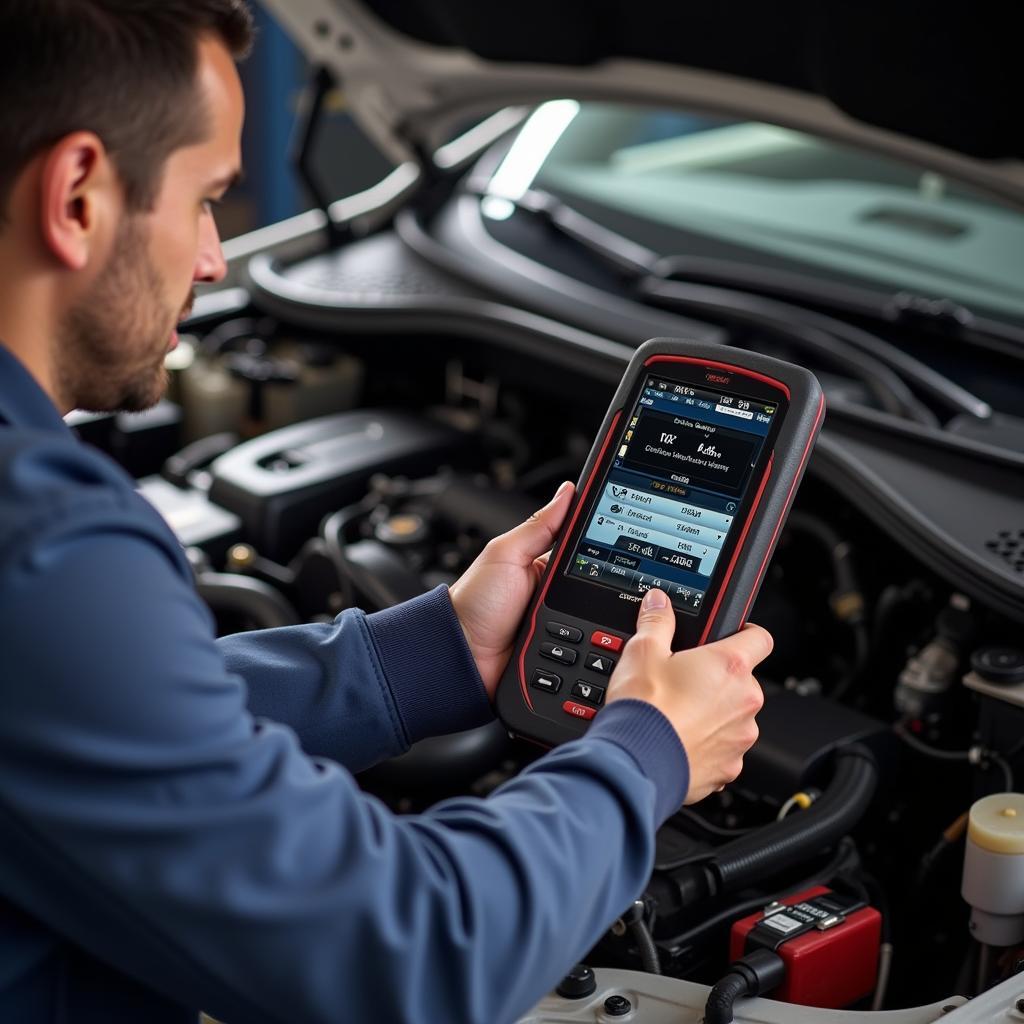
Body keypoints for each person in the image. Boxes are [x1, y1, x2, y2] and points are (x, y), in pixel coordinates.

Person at [0, 3, 770, 1022]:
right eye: (205, 200)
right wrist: (645, 755)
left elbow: (83, 721)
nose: (214, 260)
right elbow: (410, 955)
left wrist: (432, 651)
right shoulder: (45, 547)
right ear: (79, 195)